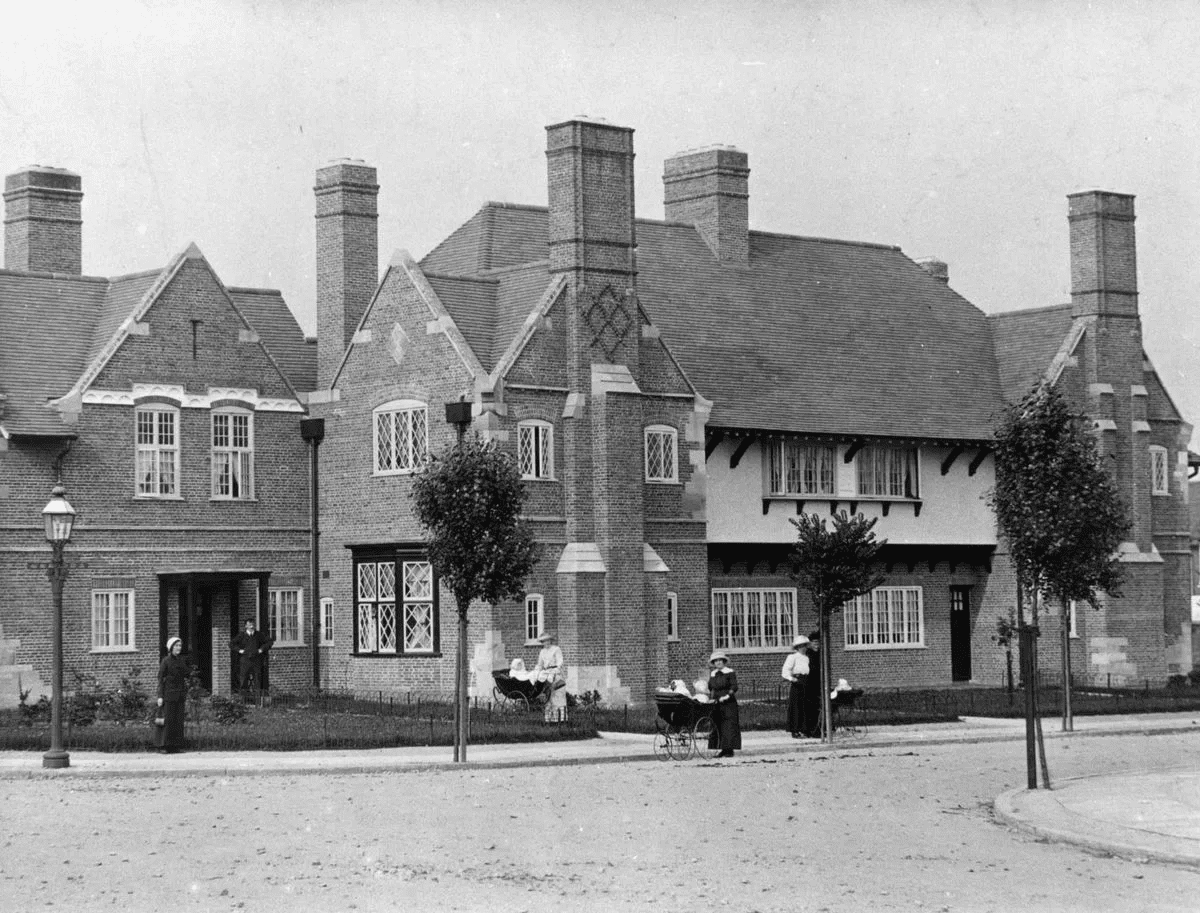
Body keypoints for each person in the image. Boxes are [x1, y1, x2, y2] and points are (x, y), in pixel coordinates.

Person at [156, 636, 189, 754]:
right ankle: (163, 746)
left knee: (178, 721)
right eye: (176, 646)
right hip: (168, 694)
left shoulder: (181, 661)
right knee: (168, 721)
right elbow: (161, 679)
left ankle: (176, 745)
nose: (178, 648)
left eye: (180, 646)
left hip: (179, 695)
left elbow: (186, 674)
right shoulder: (165, 661)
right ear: (171, 647)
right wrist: (160, 696)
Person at [707, 650, 741, 758]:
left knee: (728, 726)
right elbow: (710, 687)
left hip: (728, 702)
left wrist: (727, 696)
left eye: (720, 660)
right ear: (713, 663)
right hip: (717, 702)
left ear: (724, 661)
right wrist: (710, 696)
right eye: (716, 661)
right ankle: (722, 749)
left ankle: (729, 750)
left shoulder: (730, 672)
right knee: (718, 724)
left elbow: (734, 686)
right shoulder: (713, 674)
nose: (718, 662)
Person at [232, 619, 273, 699]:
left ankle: (257, 701)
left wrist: (261, 649)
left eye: (253, 624)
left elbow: (269, 642)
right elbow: (231, 644)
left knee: (257, 681)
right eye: (249, 624)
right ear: (246, 626)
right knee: (243, 681)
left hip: (256, 661)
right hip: (245, 661)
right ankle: (244, 701)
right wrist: (239, 650)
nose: (252, 626)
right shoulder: (242, 635)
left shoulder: (259, 635)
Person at [532, 631, 567, 723]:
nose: (546, 643)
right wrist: (537, 671)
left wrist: (555, 669)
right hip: (546, 674)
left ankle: (560, 719)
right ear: (542, 642)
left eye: (548, 641)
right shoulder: (542, 652)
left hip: (556, 673)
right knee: (548, 697)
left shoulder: (556, 649)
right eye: (544, 641)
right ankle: (549, 720)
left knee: (557, 696)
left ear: (550, 641)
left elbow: (560, 662)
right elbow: (540, 664)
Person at [781, 634, 811, 738]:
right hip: (797, 682)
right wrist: (793, 679)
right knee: (796, 707)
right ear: (797, 647)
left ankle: (804, 729)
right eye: (801, 646)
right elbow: (785, 671)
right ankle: (795, 730)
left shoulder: (807, 658)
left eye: (805, 645)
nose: (804, 648)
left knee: (805, 706)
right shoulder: (792, 657)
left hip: (806, 681)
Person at [801, 630, 823, 738]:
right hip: (809, 684)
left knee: (818, 707)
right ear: (810, 644)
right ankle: (810, 730)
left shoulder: (820, 654)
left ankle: (818, 729)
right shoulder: (808, 654)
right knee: (810, 708)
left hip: (818, 683)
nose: (816, 645)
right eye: (814, 643)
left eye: (818, 643)